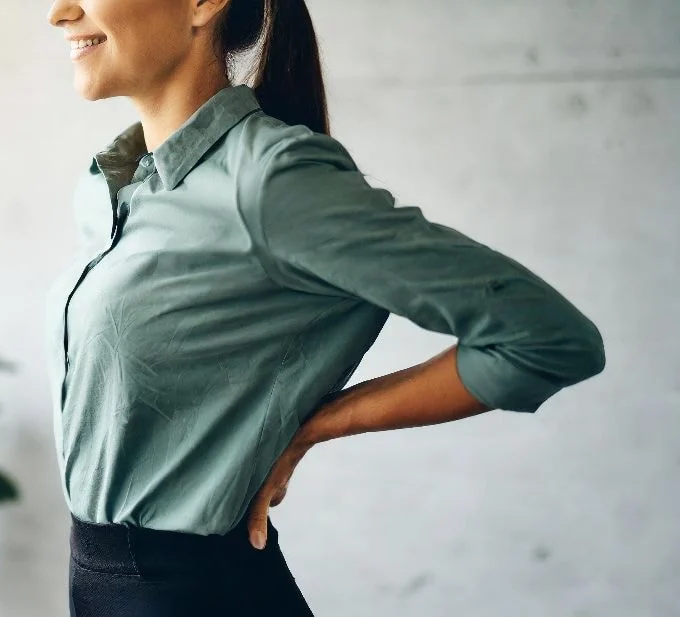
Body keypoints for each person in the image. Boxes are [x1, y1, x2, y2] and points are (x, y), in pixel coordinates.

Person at [44, 0, 607, 615]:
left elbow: (547, 338)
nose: (59, 12)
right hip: (104, 586)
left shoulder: (271, 182)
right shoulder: (108, 188)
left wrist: (321, 422)